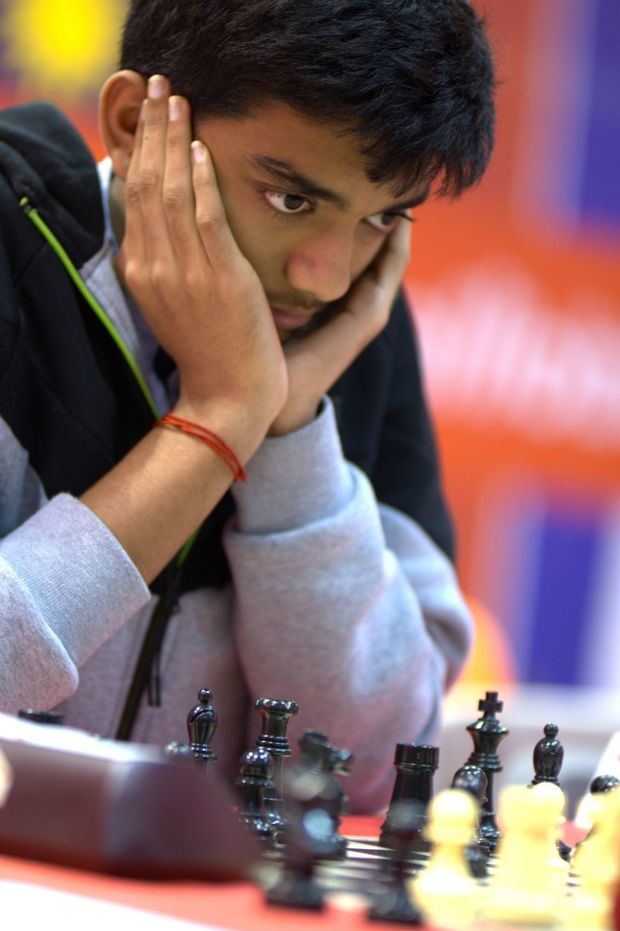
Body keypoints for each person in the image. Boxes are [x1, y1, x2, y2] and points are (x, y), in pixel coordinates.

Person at [0, 0, 495, 811]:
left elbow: (370, 769)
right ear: (133, 125)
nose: (324, 276)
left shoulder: (355, 329)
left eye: (379, 217)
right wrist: (225, 417)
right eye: (291, 199)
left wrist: (291, 432)